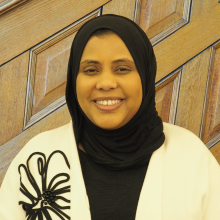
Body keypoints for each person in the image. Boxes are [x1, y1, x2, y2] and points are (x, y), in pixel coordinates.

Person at [0, 14, 220, 220]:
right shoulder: (38, 159)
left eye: (122, 68)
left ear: (145, 75)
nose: (106, 83)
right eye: (91, 70)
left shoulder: (191, 159)